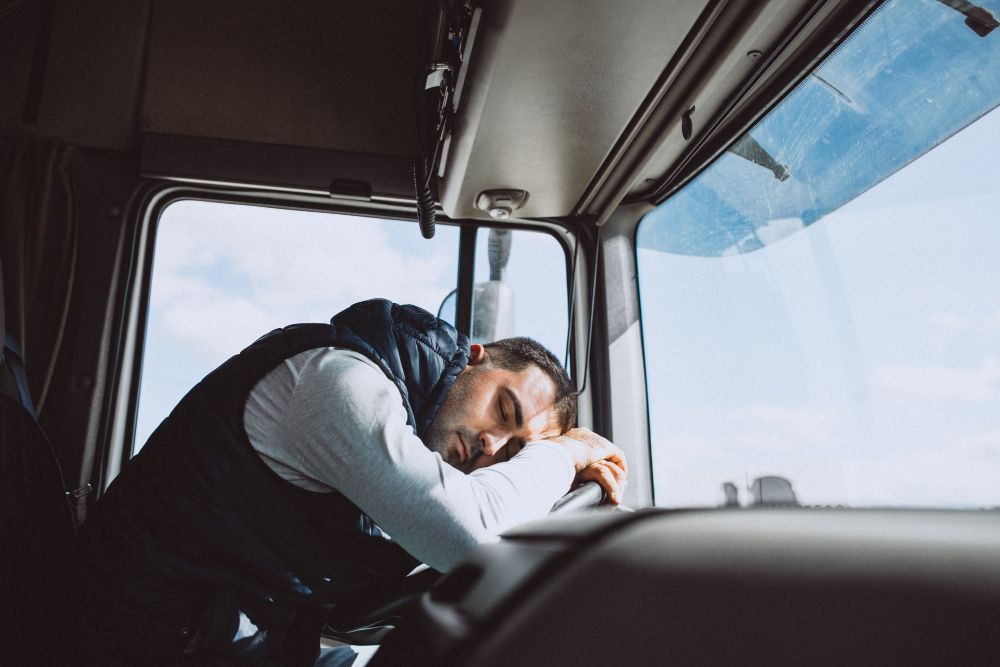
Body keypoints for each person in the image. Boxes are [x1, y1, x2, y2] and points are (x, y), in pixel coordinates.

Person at [76, 298, 626, 665]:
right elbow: (471, 535)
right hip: (136, 637)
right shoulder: (337, 382)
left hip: (216, 631)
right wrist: (561, 454)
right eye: (502, 410)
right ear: (472, 359)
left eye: (514, 450)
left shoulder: (399, 454)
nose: (492, 447)